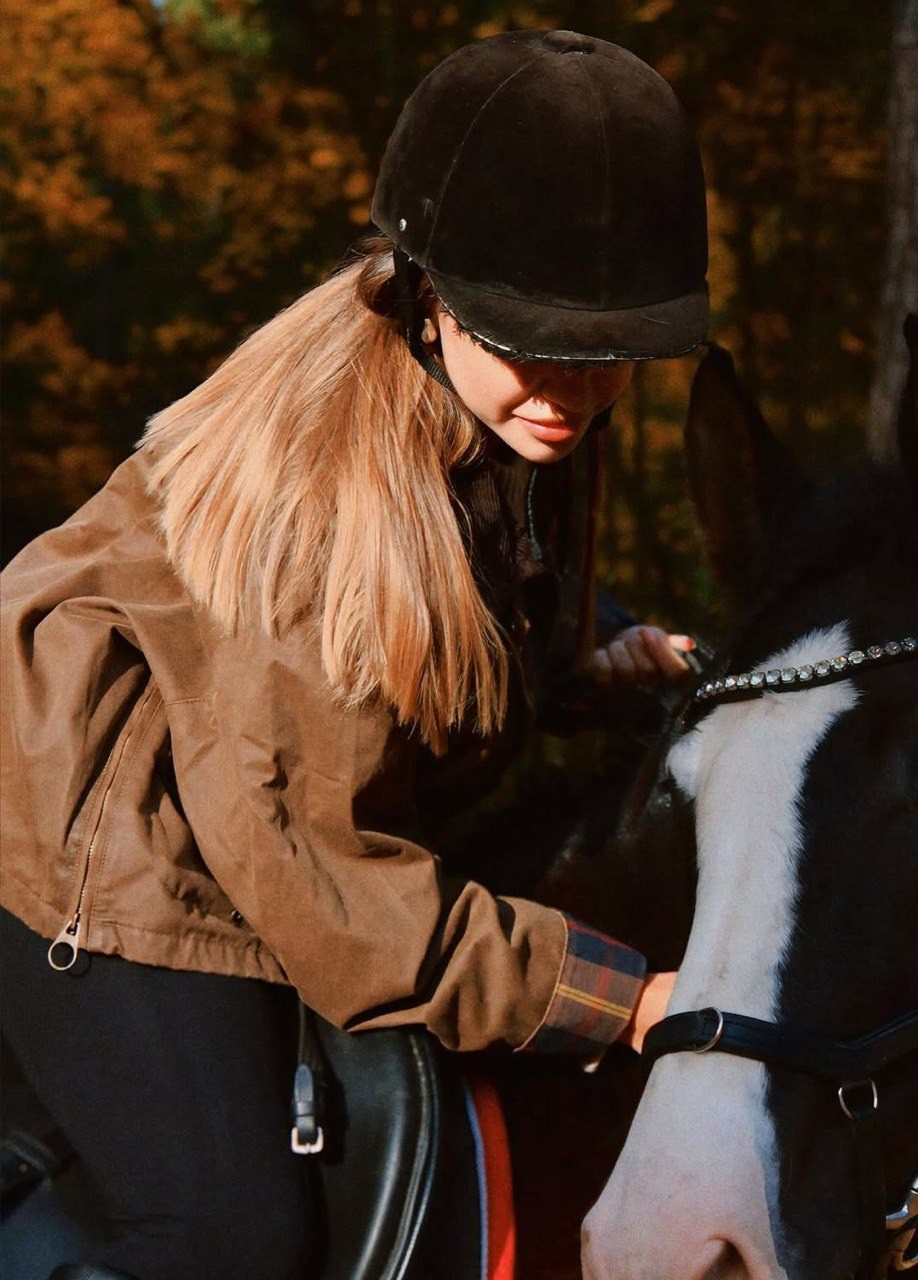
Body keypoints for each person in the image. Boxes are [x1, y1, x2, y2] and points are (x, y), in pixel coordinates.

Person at [0, 29, 709, 1280]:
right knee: (229, 1232)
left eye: (606, 354)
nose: (568, 389)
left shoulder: (507, 403)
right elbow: (328, 882)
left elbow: (459, 610)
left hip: (255, 764)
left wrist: (589, 654)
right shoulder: (313, 516)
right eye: (529, 339)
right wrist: (619, 998)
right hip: (97, 834)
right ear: (422, 297)